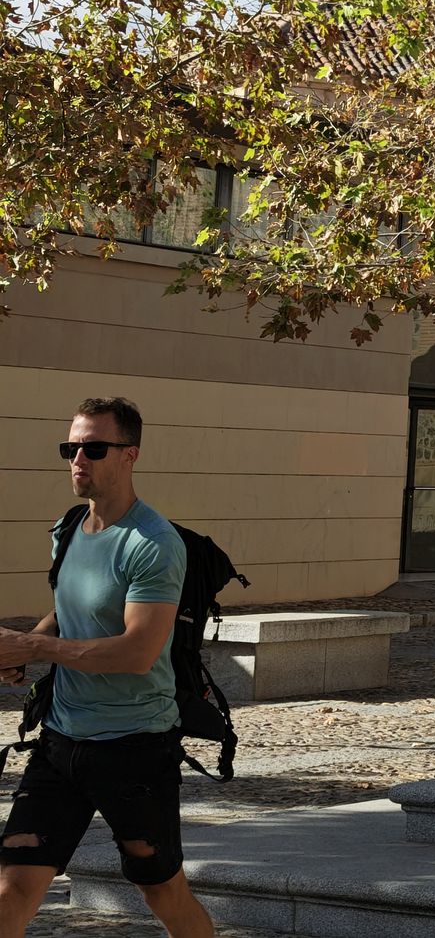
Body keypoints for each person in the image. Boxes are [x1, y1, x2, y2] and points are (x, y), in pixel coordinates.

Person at [0, 397, 215, 938]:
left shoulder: (153, 543)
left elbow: (137, 652)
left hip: (134, 748)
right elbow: (69, 609)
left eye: (94, 448)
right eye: (70, 448)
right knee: (11, 890)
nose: (78, 459)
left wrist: (32, 646)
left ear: (129, 454)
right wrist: (28, 648)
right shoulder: (69, 527)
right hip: (59, 744)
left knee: (162, 891)